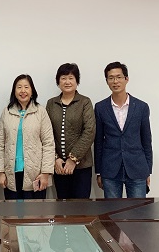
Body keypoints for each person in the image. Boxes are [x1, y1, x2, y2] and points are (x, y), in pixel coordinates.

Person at [94, 61, 152, 199]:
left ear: (126, 79)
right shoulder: (100, 107)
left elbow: (146, 140)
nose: (115, 81)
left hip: (137, 168)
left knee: (138, 210)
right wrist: (99, 172)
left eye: (119, 77)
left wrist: (148, 170)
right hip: (110, 169)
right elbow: (98, 142)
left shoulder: (141, 107)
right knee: (113, 211)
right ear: (107, 81)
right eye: (111, 78)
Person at [0, 74, 55, 200]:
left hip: (36, 174)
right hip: (11, 173)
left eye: (26, 87)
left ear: (32, 91)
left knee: (35, 211)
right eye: (19, 87)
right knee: (12, 210)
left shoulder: (40, 112)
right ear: (14, 91)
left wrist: (45, 173)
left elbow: (49, 143)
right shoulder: (7, 112)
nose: (23, 91)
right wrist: (0, 172)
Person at [45, 63, 95, 199]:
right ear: (58, 81)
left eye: (71, 78)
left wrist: (73, 159)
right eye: (63, 78)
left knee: (81, 207)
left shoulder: (85, 102)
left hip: (82, 166)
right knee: (62, 206)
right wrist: (55, 158)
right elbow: (46, 133)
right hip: (59, 167)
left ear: (77, 81)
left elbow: (89, 131)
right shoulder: (51, 103)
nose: (67, 82)